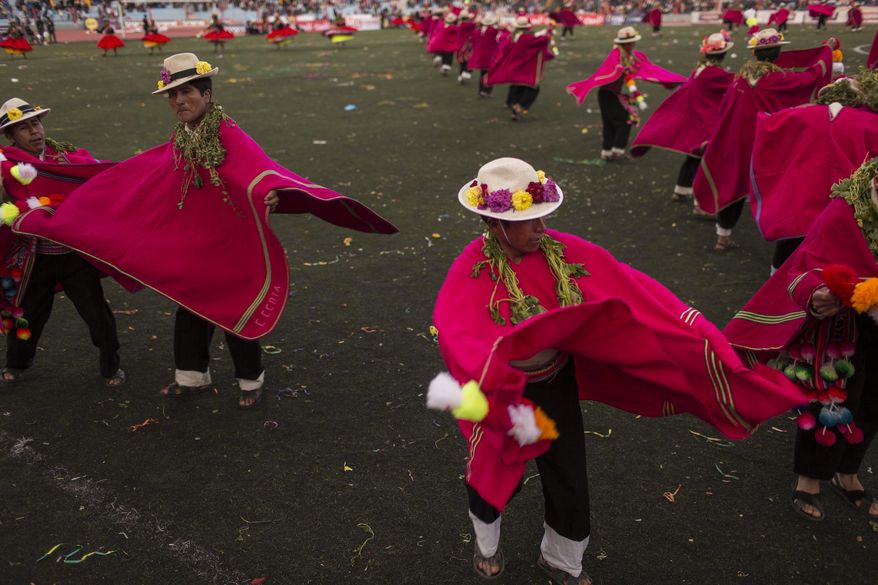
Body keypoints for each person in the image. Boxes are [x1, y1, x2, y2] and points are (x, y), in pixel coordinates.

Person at [431, 157, 803, 583]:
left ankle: (561, 560)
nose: (541, 228)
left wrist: (694, 334)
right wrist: (497, 373)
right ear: (495, 225)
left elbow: (629, 288)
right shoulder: (473, 268)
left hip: (554, 382)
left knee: (569, 473)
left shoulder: (560, 253)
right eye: (529, 221)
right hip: (500, 391)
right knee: (495, 470)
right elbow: (457, 330)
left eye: (543, 218)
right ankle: (487, 543)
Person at [11, 53, 397, 409]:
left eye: (187, 92)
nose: (179, 101)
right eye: (172, 95)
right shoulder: (182, 137)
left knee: (235, 307)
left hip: (231, 240)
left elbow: (256, 170)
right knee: (190, 304)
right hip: (196, 241)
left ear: (207, 94)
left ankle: (250, 380)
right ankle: (191, 377)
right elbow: (153, 177)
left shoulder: (227, 131)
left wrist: (270, 194)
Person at [724, 157, 878, 521]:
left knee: (874, 400)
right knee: (833, 397)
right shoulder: (848, 208)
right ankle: (810, 478)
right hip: (844, 321)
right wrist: (818, 292)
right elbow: (808, 262)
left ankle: (847, 473)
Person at [0, 98, 124, 386]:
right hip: (34, 256)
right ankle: (17, 363)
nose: (34, 132)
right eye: (24, 128)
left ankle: (110, 365)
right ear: (11, 137)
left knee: (96, 312)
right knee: (27, 313)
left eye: (36, 123)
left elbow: (98, 177)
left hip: (72, 254)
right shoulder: (7, 168)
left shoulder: (68, 160)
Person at [692, 29, 832, 252]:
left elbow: (727, 108)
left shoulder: (740, 78)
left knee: (735, 185)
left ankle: (722, 237)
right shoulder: (777, 79)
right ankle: (782, 236)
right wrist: (827, 52)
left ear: (755, 53)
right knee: (777, 187)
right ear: (778, 54)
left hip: (738, 141)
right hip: (767, 143)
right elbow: (809, 79)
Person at [748, 73, 878, 271]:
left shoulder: (800, 114)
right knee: (841, 250)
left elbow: (767, 123)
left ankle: (777, 282)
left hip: (801, 194)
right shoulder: (869, 122)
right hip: (846, 200)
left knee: (791, 243)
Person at [631, 32, 734, 206]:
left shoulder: (701, 69)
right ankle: (703, 201)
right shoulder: (713, 73)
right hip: (706, 121)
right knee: (709, 159)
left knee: (695, 157)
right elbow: (735, 83)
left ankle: (682, 189)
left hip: (700, 118)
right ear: (722, 55)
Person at [567, 26, 686, 160]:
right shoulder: (616, 55)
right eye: (630, 42)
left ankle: (607, 151)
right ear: (624, 44)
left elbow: (648, 70)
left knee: (612, 122)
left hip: (612, 93)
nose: (633, 44)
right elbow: (613, 71)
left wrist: (674, 80)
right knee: (624, 121)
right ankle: (617, 150)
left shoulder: (631, 56)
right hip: (607, 94)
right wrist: (623, 72)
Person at [486, 16, 557, 121]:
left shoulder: (514, 36)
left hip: (516, 67)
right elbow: (543, 40)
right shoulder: (526, 38)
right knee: (533, 89)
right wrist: (550, 30)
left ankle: (514, 111)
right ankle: (519, 107)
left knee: (518, 89)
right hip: (525, 69)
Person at [468, 13, 501, 98]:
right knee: (491, 73)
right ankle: (488, 91)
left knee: (482, 74)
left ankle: (481, 91)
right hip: (491, 56)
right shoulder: (493, 31)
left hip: (481, 56)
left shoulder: (476, 31)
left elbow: (472, 42)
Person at [455, 10, 476, 84]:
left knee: (463, 63)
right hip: (465, 46)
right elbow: (475, 24)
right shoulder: (466, 25)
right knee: (469, 61)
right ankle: (465, 74)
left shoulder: (460, 24)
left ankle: (460, 77)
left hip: (460, 46)